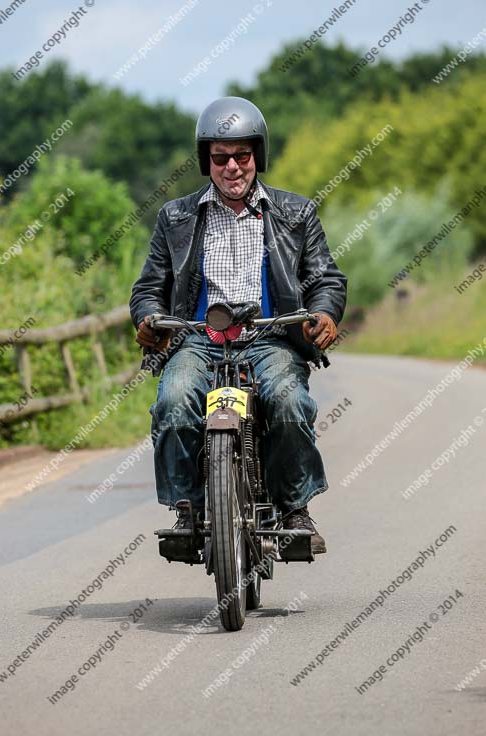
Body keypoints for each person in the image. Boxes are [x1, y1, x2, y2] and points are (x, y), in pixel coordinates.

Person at [130, 97, 347, 555]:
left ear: (258, 156)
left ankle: (294, 509)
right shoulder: (175, 217)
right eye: (220, 157)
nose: (232, 167)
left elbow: (325, 278)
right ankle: (187, 508)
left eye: (242, 156)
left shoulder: (296, 213)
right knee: (172, 401)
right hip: (197, 340)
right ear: (206, 160)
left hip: (270, 339)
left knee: (289, 402)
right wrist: (149, 319)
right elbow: (149, 287)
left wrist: (324, 312)